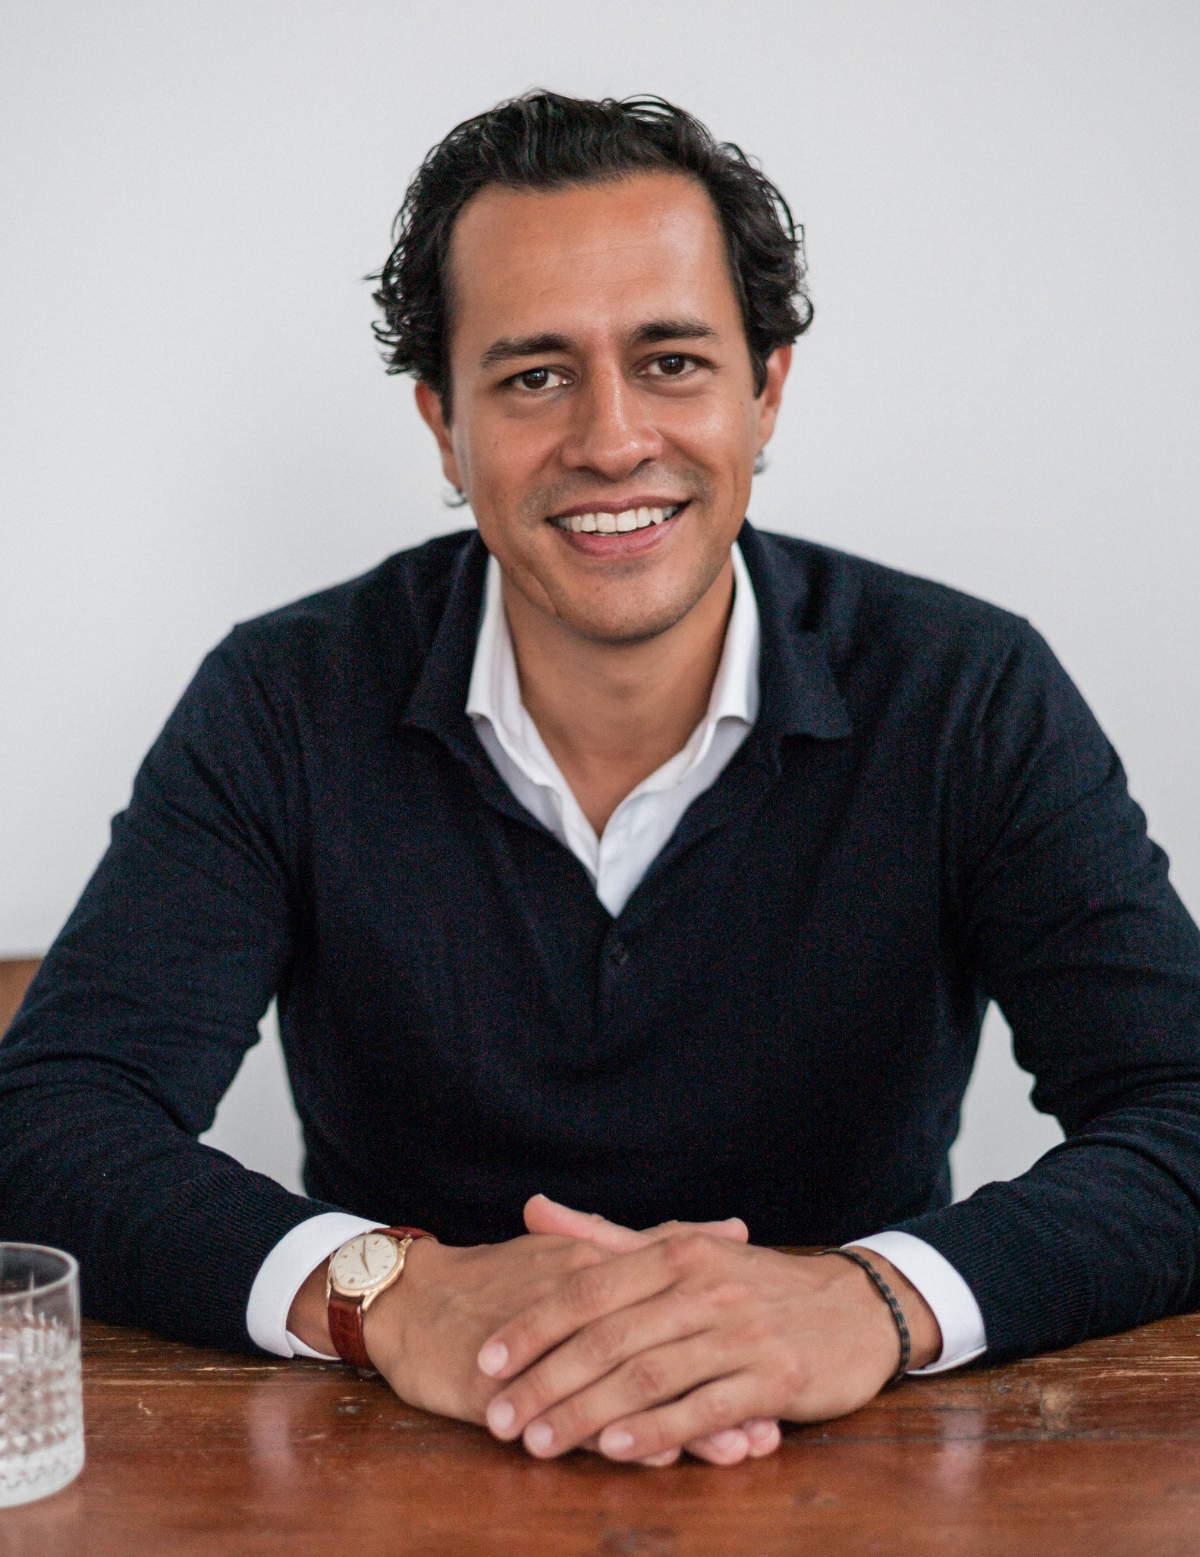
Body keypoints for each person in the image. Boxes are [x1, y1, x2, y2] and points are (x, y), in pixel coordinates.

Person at [2, 91, 1199, 1472]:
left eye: (674, 361)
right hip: (408, 1460)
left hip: (863, 1465)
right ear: (443, 426)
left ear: (768, 393)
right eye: (533, 376)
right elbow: (52, 1117)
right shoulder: (282, 698)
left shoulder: (968, 689)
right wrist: (391, 1295)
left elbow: (1178, 1109)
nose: (613, 438)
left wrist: (875, 1301)